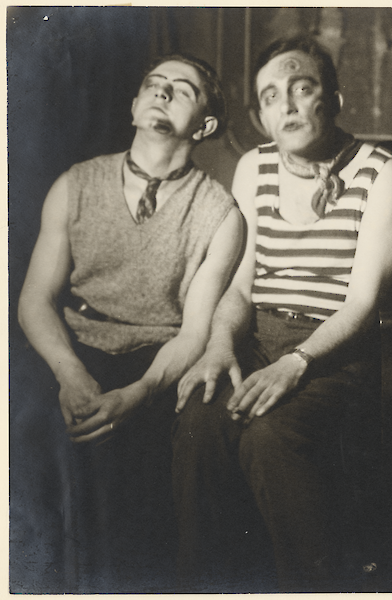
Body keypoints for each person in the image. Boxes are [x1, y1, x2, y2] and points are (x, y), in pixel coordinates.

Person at [171, 36, 392, 592]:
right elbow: (241, 287)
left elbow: (362, 304)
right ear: (260, 114)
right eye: (272, 97)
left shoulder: (380, 170)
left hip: (335, 352)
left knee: (269, 434)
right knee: (199, 416)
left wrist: (296, 362)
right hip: (256, 336)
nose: (290, 106)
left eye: (303, 89)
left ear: (336, 99)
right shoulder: (254, 167)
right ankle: (201, 584)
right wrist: (222, 345)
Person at [17, 54, 243, 591]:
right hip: (72, 345)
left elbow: (194, 332)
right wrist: (70, 374)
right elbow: (34, 299)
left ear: (206, 125)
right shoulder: (76, 184)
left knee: (142, 475)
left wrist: (139, 393)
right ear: (135, 105)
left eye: (181, 90)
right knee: (26, 434)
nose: (161, 94)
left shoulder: (220, 213)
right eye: (153, 85)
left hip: (156, 360)